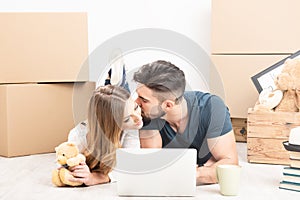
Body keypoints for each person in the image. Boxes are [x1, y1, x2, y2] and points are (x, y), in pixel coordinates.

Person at [133, 60, 238, 185]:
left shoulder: (212, 108)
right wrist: (207, 169)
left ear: (168, 105)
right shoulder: (148, 113)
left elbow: (230, 166)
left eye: (143, 100)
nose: (136, 102)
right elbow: (153, 168)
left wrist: (193, 173)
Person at [66, 85, 143, 186]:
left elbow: (131, 166)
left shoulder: (131, 129)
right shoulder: (78, 136)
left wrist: (96, 178)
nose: (138, 118)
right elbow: (64, 165)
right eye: (127, 119)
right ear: (110, 124)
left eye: (136, 107)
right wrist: (77, 170)